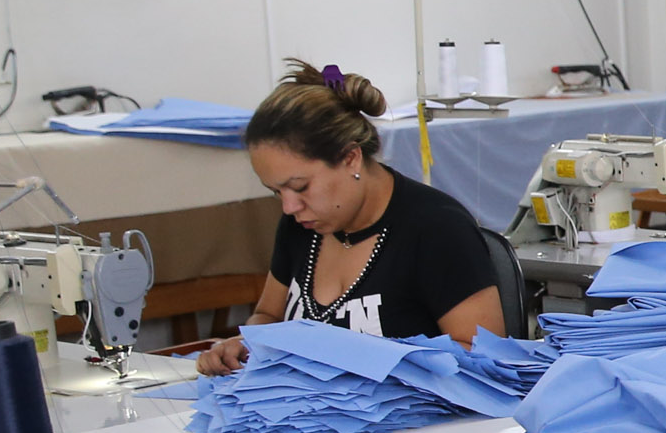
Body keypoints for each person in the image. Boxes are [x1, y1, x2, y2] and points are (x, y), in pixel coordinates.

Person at [199, 61, 504, 373]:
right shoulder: (300, 226)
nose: (288, 207)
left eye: (299, 187)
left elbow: (481, 359)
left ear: (350, 158)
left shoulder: (438, 230)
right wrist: (246, 343)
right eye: (276, 191)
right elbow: (268, 316)